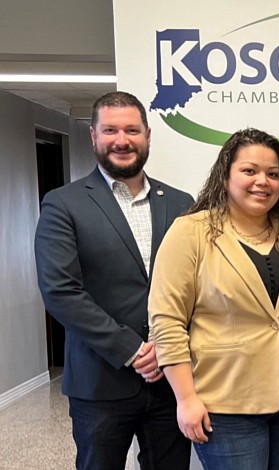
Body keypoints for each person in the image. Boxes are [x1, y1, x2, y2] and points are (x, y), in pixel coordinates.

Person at [147, 128, 279, 469]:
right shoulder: (191, 232)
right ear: (225, 176)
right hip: (225, 405)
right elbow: (167, 320)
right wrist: (186, 398)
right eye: (249, 171)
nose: (262, 182)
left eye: (273, 174)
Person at [34, 91, 193, 469]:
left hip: (172, 379)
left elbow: (197, 286)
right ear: (93, 136)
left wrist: (164, 347)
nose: (122, 140)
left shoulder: (181, 203)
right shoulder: (63, 203)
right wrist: (134, 350)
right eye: (110, 130)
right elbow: (61, 290)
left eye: (132, 130)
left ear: (148, 136)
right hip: (100, 383)